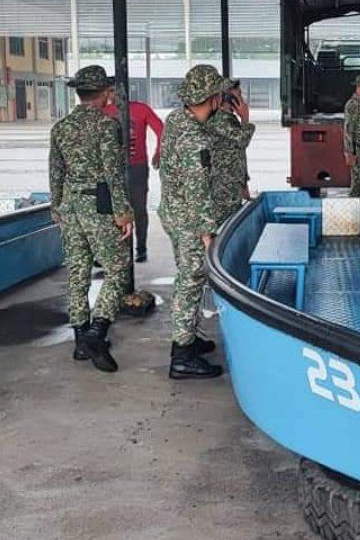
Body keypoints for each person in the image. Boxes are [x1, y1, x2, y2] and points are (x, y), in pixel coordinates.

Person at [48, 65, 133, 374]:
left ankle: (80, 340)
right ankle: (97, 333)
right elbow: (113, 173)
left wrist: (56, 206)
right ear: (104, 93)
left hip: (70, 205)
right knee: (118, 268)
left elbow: (55, 171)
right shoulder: (106, 126)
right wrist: (123, 212)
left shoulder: (60, 127)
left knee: (78, 272)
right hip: (98, 205)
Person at [158, 64, 228, 380]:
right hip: (189, 220)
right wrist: (207, 234)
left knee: (191, 280)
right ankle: (182, 356)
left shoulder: (176, 119)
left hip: (173, 212)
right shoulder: (194, 140)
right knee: (190, 281)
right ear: (212, 98)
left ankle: (189, 337)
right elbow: (198, 189)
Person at [102, 88, 163, 263]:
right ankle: (126, 247)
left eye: (113, 90)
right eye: (109, 91)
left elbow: (161, 130)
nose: (111, 95)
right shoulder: (104, 112)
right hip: (118, 168)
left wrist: (159, 151)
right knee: (120, 208)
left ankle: (140, 247)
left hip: (135, 167)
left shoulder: (140, 109)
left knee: (137, 209)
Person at [206, 77, 255, 221]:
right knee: (223, 227)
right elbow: (243, 140)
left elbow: (239, 153)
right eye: (238, 95)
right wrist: (245, 118)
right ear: (228, 98)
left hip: (233, 183)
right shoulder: (219, 120)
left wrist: (244, 182)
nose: (242, 99)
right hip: (223, 187)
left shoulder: (230, 119)